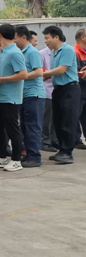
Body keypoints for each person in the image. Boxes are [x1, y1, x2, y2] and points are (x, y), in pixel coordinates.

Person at [0, 24, 27, 172]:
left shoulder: (15, 52)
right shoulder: (4, 51)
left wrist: (2, 79)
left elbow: (23, 74)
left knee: (12, 129)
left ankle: (16, 160)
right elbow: (3, 70)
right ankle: (1, 157)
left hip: (10, 98)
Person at [42, 26, 80, 164]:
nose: (46, 41)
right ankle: (62, 149)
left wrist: (43, 73)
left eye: (47, 38)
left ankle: (67, 152)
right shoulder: (54, 52)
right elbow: (54, 72)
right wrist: (45, 76)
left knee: (67, 121)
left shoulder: (67, 50)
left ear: (56, 37)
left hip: (69, 89)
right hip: (58, 89)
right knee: (58, 120)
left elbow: (61, 70)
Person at [15, 26, 45, 168]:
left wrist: (22, 76)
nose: (13, 41)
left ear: (23, 37)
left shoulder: (32, 52)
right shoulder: (20, 52)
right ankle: (28, 154)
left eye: (15, 38)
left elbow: (39, 72)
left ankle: (34, 157)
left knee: (33, 126)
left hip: (34, 95)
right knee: (25, 126)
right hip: (24, 95)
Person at [39, 41, 59, 152]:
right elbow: (40, 72)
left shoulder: (60, 53)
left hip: (57, 89)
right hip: (46, 90)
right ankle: (45, 141)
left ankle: (54, 141)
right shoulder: (42, 54)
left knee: (56, 118)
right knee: (46, 119)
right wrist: (52, 73)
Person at [74, 29, 86, 149]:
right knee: (77, 114)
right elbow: (75, 72)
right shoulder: (75, 52)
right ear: (83, 38)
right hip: (80, 88)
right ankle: (76, 140)